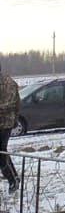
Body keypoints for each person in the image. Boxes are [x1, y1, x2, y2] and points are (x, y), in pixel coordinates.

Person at [0, 62, 20, 193]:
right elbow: (18, 103)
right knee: (2, 151)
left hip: (4, 123)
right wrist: (15, 119)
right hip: (8, 123)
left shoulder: (8, 84)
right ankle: (14, 178)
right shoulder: (11, 82)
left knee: (1, 153)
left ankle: (13, 180)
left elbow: (15, 103)